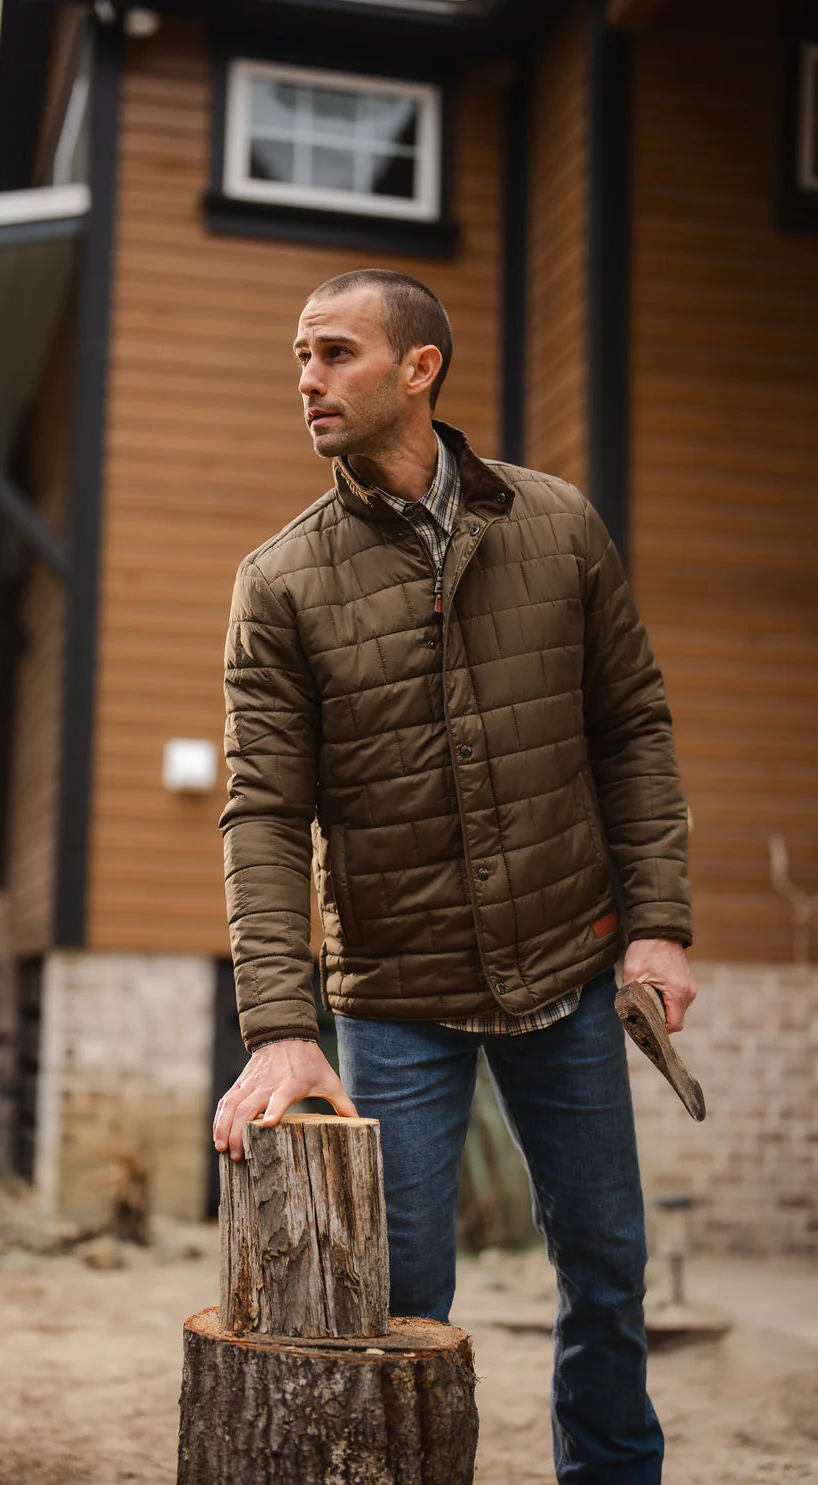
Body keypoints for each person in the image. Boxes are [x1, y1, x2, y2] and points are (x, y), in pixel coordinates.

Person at [213, 268, 696, 1483]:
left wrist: (658, 926)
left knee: (607, 1273)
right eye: (297, 357)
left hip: (572, 968)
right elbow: (265, 813)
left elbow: (630, 726)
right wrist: (281, 1024)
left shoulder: (559, 525)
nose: (306, 380)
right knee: (402, 1297)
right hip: (398, 995)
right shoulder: (280, 584)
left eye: (334, 353)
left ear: (418, 368)